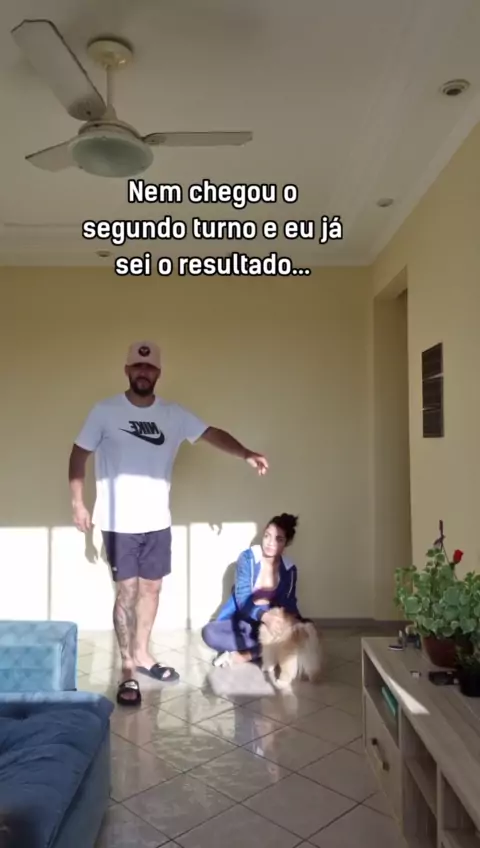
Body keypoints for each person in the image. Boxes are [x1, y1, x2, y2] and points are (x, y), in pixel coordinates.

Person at [68, 341, 268, 707]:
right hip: (118, 522)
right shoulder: (105, 411)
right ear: (127, 370)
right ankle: (127, 669)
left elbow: (211, 433)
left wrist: (245, 453)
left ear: (158, 373)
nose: (143, 372)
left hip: (157, 521)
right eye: (137, 366)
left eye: (150, 368)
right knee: (127, 593)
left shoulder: (173, 414)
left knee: (152, 589)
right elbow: (79, 454)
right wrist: (77, 503)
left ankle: (143, 654)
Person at [202, 513, 301, 667]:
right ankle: (261, 650)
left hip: (270, 620)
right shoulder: (248, 558)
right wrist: (265, 617)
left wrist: (293, 623)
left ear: (286, 543)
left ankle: (245, 654)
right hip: (244, 618)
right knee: (209, 633)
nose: (270, 543)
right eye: (267, 536)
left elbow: (289, 602)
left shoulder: (289, 569)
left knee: (300, 632)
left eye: (279, 539)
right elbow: (242, 599)